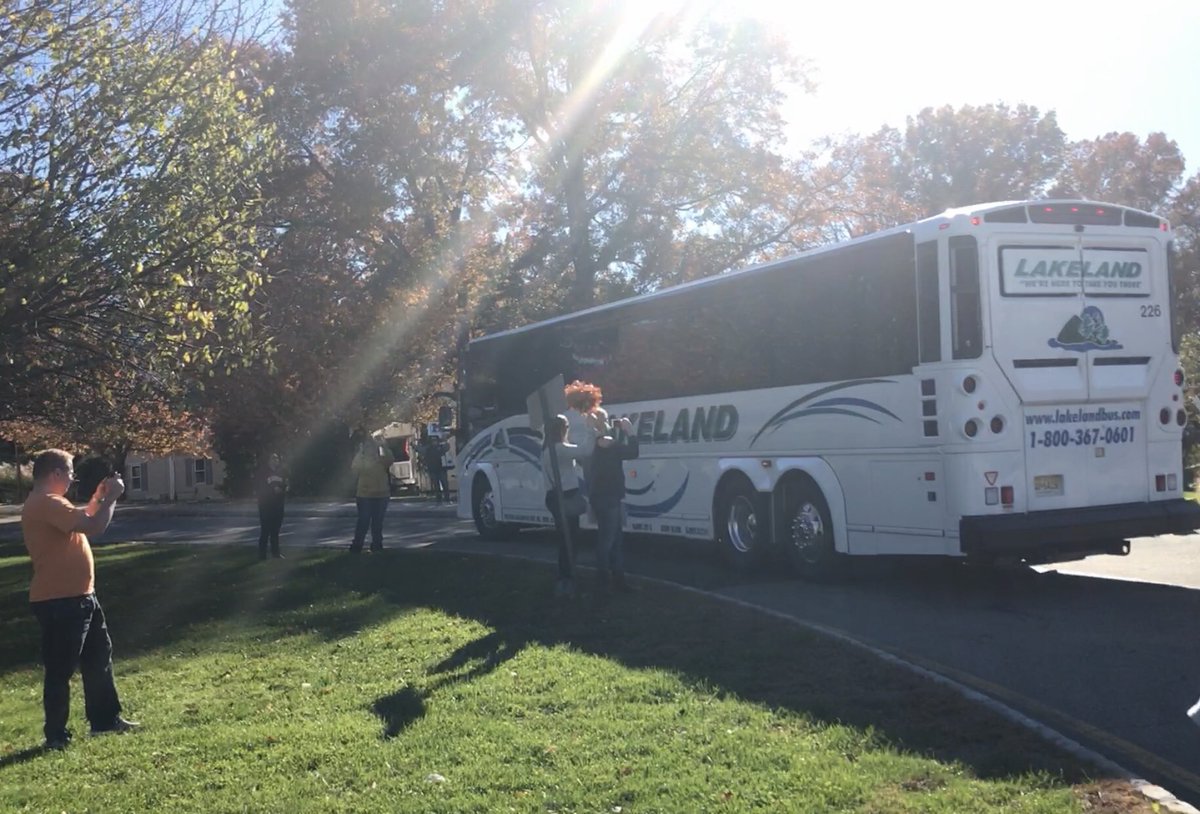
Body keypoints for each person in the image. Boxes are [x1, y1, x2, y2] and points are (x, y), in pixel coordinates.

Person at [21, 449, 138, 750]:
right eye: (70, 471)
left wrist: (100, 497)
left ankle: (104, 720)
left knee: (99, 659)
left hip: (80, 596)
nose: (73, 478)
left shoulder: (51, 504)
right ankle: (56, 735)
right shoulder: (46, 502)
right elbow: (94, 526)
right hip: (60, 599)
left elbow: (85, 516)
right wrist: (111, 497)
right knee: (60, 669)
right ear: (56, 474)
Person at [588, 409, 639, 593]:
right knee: (609, 541)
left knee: (613, 539)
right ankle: (605, 582)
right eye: (607, 420)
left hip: (601, 496)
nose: (610, 423)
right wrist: (630, 431)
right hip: (609, 497)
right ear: (602, 424)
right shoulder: (607, 442)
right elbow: (633, 452)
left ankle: (616, 581)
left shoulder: (595, 444)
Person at [542, 414, 584, 598]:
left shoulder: (546, 450)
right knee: (570, 539)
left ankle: (565, 575)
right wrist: (594, 429)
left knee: (565, 538)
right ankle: (566, 578)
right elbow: (586, 451)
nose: (568, 430)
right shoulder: (559, 449)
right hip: (565, 496)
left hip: (553, 496)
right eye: (566, 427)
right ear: (561, 430)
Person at [350, 432, 394, 553]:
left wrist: (384, 446)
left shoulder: (382, 460)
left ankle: (377, 545)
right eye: (368, 447)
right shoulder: (362, 459)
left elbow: (390, 459)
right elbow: (355, 467)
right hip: (365, 495)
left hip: (382, 495)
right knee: (363, 521)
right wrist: (360, 452)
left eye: (373, 446)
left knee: (377, 522)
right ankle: (357, 545)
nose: (371, 449)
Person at [256, 452, 287, 560]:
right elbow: (261, 487)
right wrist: (271, 491)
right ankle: (262, 555)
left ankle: (276, 553)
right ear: (269, 460)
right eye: (273, 458)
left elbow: (285, 486)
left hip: (278, 505)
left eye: (277, 458)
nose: (276, 460)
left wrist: (282, 490)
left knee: (275, 530)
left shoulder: (281, 473)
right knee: (265, 530)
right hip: (266, 506)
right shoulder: (263, 473)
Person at [423, 435, 450, 504]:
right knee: (437, 486)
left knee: (445, 485)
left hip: (441, 469)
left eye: (435, 441)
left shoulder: (441, 447)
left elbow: (447, 447)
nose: (434, 442)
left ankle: (447, 499)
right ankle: (439, 500)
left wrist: (445, 440)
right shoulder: (428, 449)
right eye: (432, 441)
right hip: (433, 470)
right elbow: (421, 450)